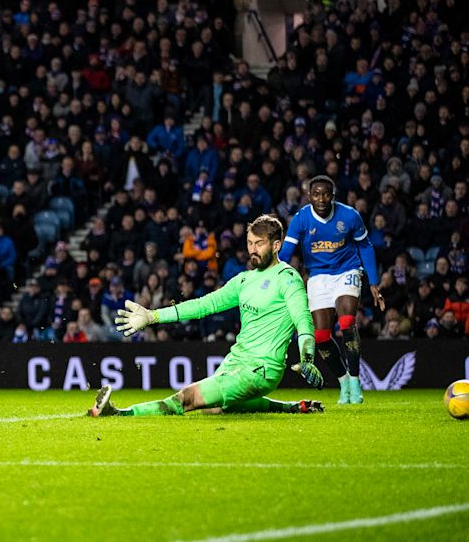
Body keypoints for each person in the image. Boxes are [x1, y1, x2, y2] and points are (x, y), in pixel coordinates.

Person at [89, 215, 324, 417]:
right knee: (214, 409)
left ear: (276, 245)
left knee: (188, 398)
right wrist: (153, 316)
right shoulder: (245, 280)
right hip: (236, 361)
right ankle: (291, 407)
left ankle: (119, 413)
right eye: (250, 243)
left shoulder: (287, 278)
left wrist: (307, 357)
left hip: (261, 369)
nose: (252, 249)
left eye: (259, 243)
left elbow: (302, 319)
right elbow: (204, 305)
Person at [277, 175, 382, 404]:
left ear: (333, 196)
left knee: (346, 322)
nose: (321, 199)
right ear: (309, 196)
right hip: (318, 276)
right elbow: (285, 254)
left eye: (326, 194)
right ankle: (343, 382)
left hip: (347, 270)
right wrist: (270, 270)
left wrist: (374, 282)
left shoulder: (349, 215)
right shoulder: (301, 219)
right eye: (316, 194)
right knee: (321, 336)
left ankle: (355, 381)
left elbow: (365, 246)